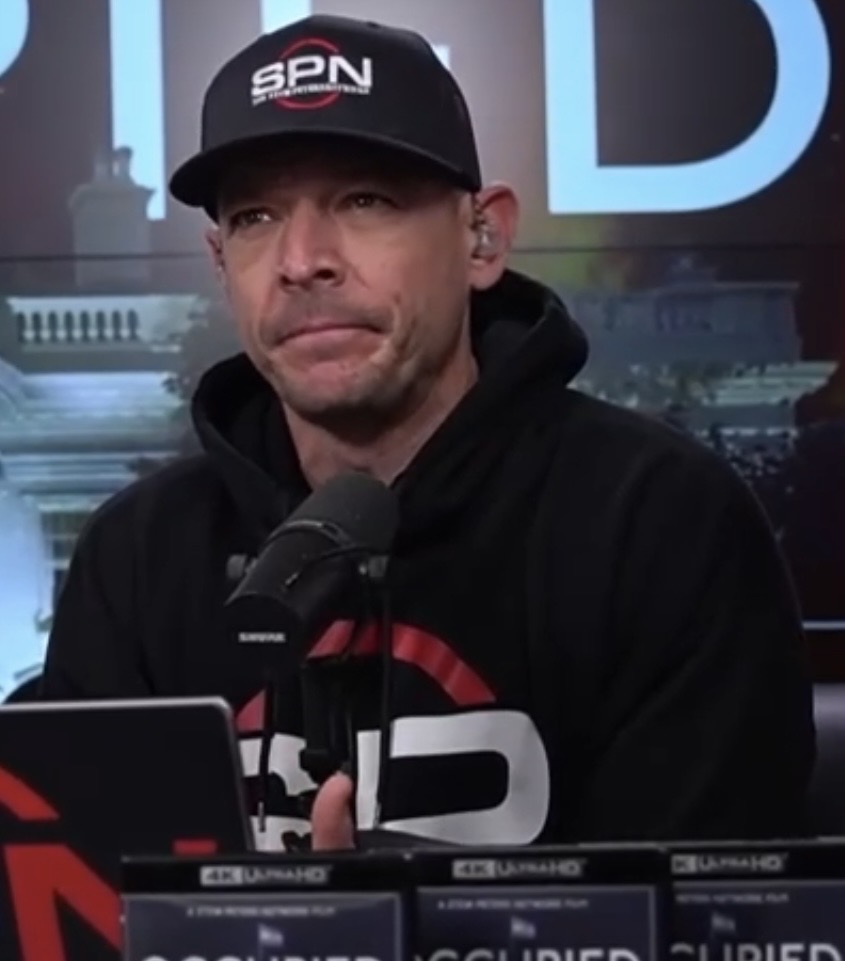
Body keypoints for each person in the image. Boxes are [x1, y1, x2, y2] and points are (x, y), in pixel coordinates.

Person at [40, 13, 815, 851]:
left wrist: (383, 911)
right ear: (220, 262)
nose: (301, 260)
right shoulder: (138, 554)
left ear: (483, 238)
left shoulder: (660, 520)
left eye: (364, 200)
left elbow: (708, 907)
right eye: (255, 216)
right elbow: (73, 894)